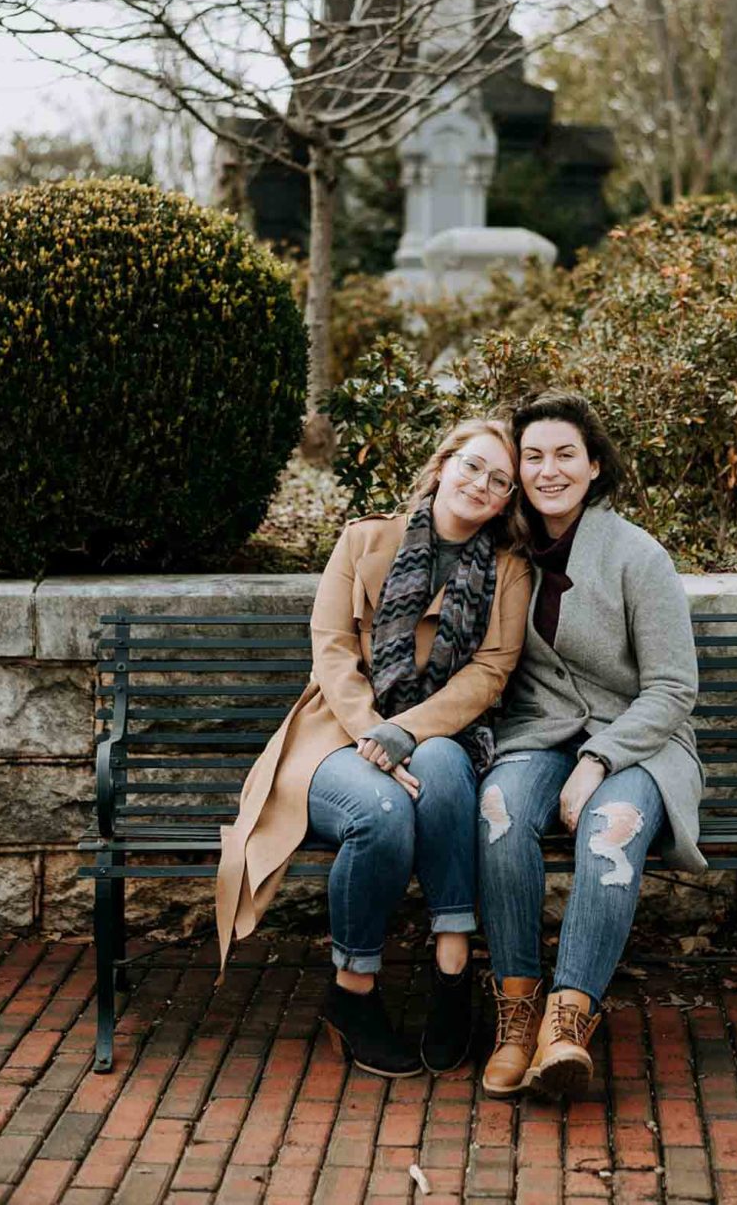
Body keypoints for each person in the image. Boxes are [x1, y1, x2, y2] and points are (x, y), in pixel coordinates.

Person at [215, 418, 531, 1079]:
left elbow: (490, 672)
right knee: (380, 815)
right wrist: (372, 731)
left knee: (444, 768)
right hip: (336, 730)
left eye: (498, 480)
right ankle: (352, 994)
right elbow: (330, 649)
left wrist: (406, 731)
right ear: (443, 464)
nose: (481, 484)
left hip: (443, 727)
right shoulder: (364, 539)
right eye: (472, 466)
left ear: (506, 500)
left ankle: (452, 970)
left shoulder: (506, 570)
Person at [477, 390, 705, 1099]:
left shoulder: (637, 555)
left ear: (595, 464)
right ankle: (515, 1014)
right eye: (533, 456)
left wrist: (598, 761)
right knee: (498, 814)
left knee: (612, 828)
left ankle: (565, 1026)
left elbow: (671, 688)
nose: (549, 470)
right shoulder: (506, 548)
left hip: (640, 741)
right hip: (536, 735)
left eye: (565, 455)